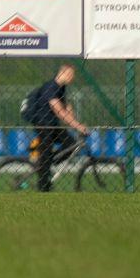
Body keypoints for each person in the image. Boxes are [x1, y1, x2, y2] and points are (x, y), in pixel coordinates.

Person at [21, 64, 89, 192]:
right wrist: (77, 126)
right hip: (44, 125)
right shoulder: (51, 87)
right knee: (46, 154)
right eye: (69, 75)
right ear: (61, 73)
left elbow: (67, 109)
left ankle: (45, 164)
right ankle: (43, 185)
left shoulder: (61, 88)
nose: (71, 78)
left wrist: (76, 123)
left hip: (52, 125)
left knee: (72, 144)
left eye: (72, 76)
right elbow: (59, 110)